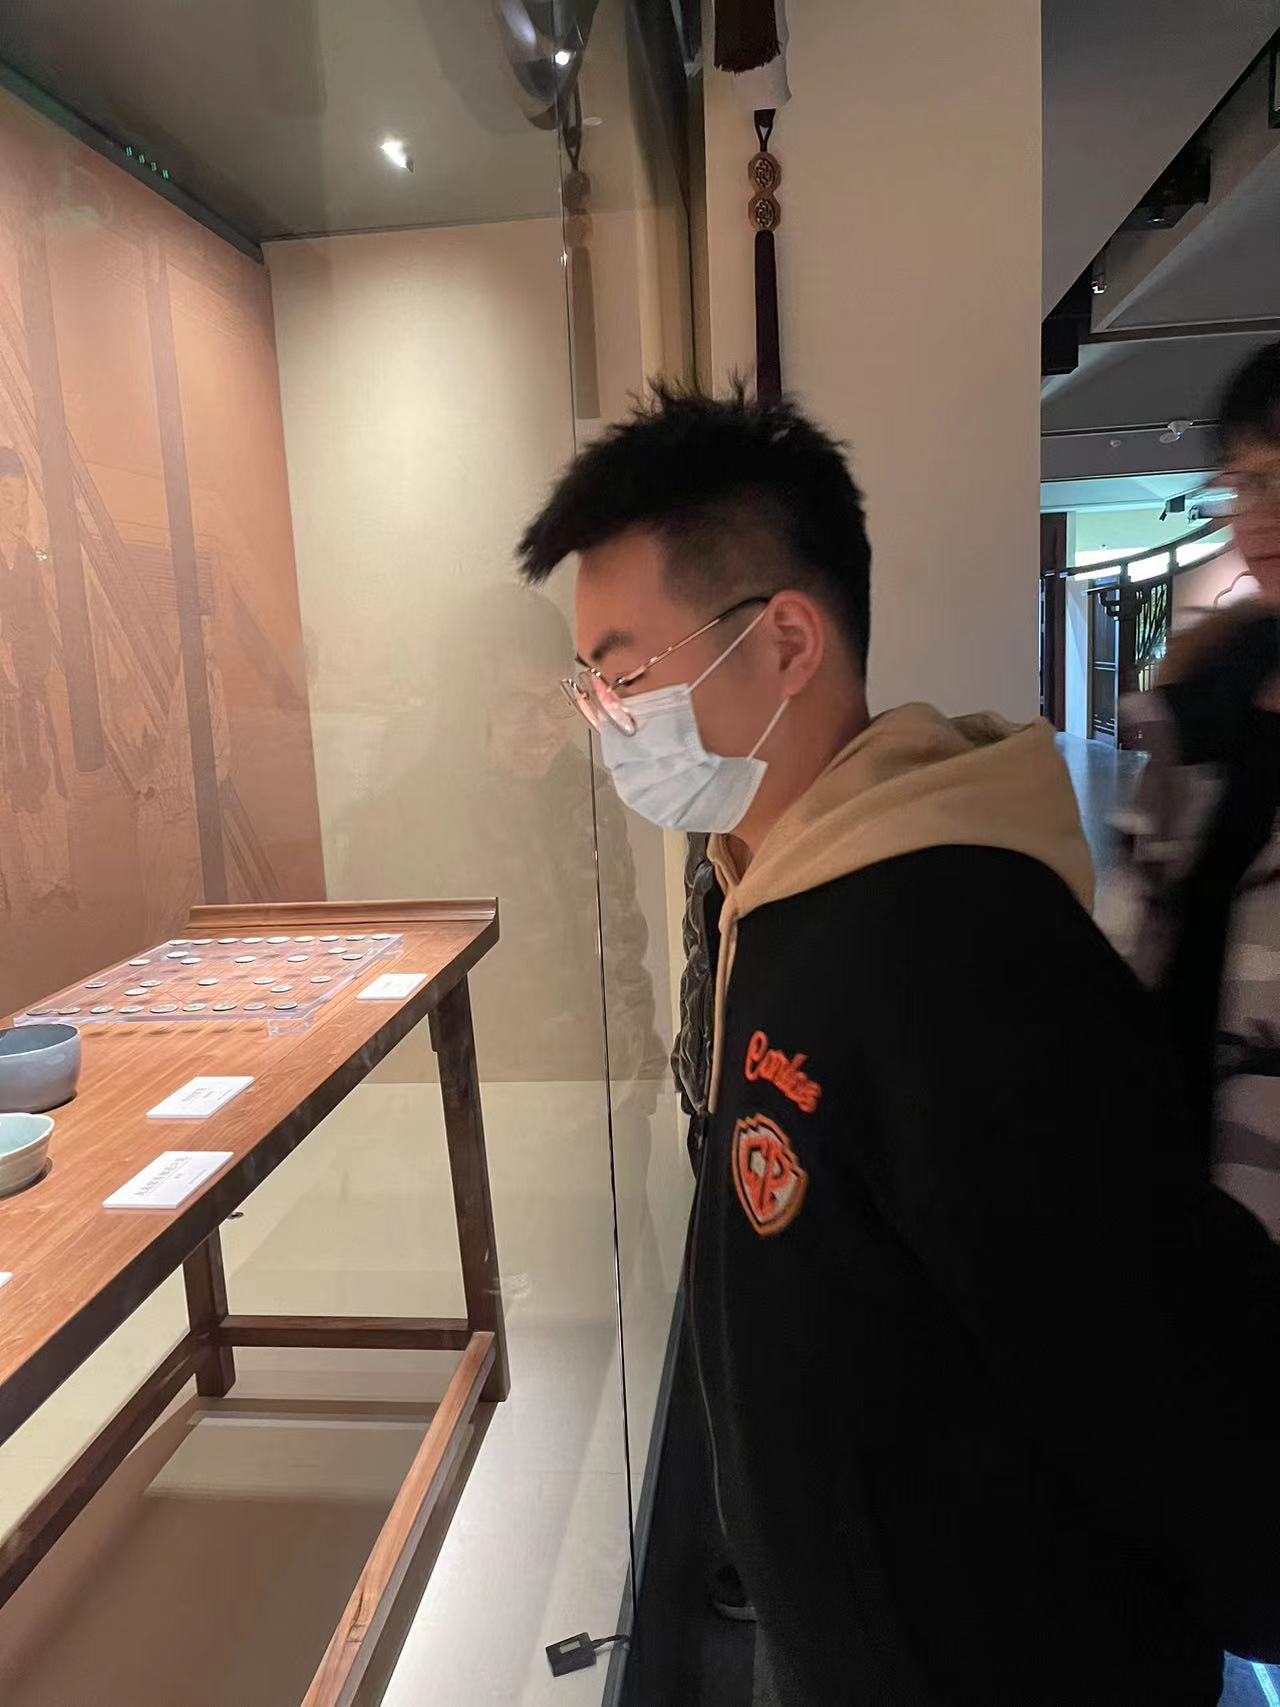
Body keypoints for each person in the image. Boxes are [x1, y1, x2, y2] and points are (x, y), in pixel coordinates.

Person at [517, 385, 1280, 1707]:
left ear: (787, 641)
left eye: (627, 672)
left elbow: (1142, 1377)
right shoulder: (766, 889)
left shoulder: (961, 946)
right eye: (591, 682)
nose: (608, 718)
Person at [1121, 342, 1280, 1239]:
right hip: (1184, 1196)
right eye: (1247, 482)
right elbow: (1147, 938)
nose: (1263, 514)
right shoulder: (1208, 694)